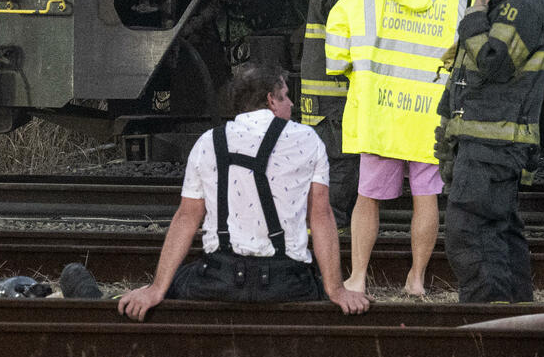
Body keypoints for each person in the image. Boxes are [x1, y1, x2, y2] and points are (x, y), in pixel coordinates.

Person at [116, 64, 368, 320]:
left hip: (218, 278)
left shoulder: (208, 142)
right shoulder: (308, 139)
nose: (291, 103)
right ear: (271, 99)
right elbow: (321, 216)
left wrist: (157, 288)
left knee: (176, 282)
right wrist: (336, 290)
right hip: (287, 282)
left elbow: (187, 217)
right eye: (286, 95)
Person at [324, 0, 462, 295]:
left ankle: (356, 278)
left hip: (378, 113)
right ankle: (416, 279)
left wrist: (352, 67)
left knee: (366, 198)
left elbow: (335, 55)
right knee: (426, 197)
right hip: (429, 117)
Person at [437, 0, 544, 302]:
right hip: (485, 143)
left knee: (468, 233)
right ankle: (515, 323)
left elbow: (494, 63)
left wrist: (471, 20)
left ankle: (486, 326)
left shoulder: (522, 4)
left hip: (494, 145)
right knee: (498, 233)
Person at [299, 0, 365, 228]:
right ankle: (331, 227)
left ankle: (321, 222)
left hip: (320, 94)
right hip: (335, 94)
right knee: (341, 162)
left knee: (325, 161)